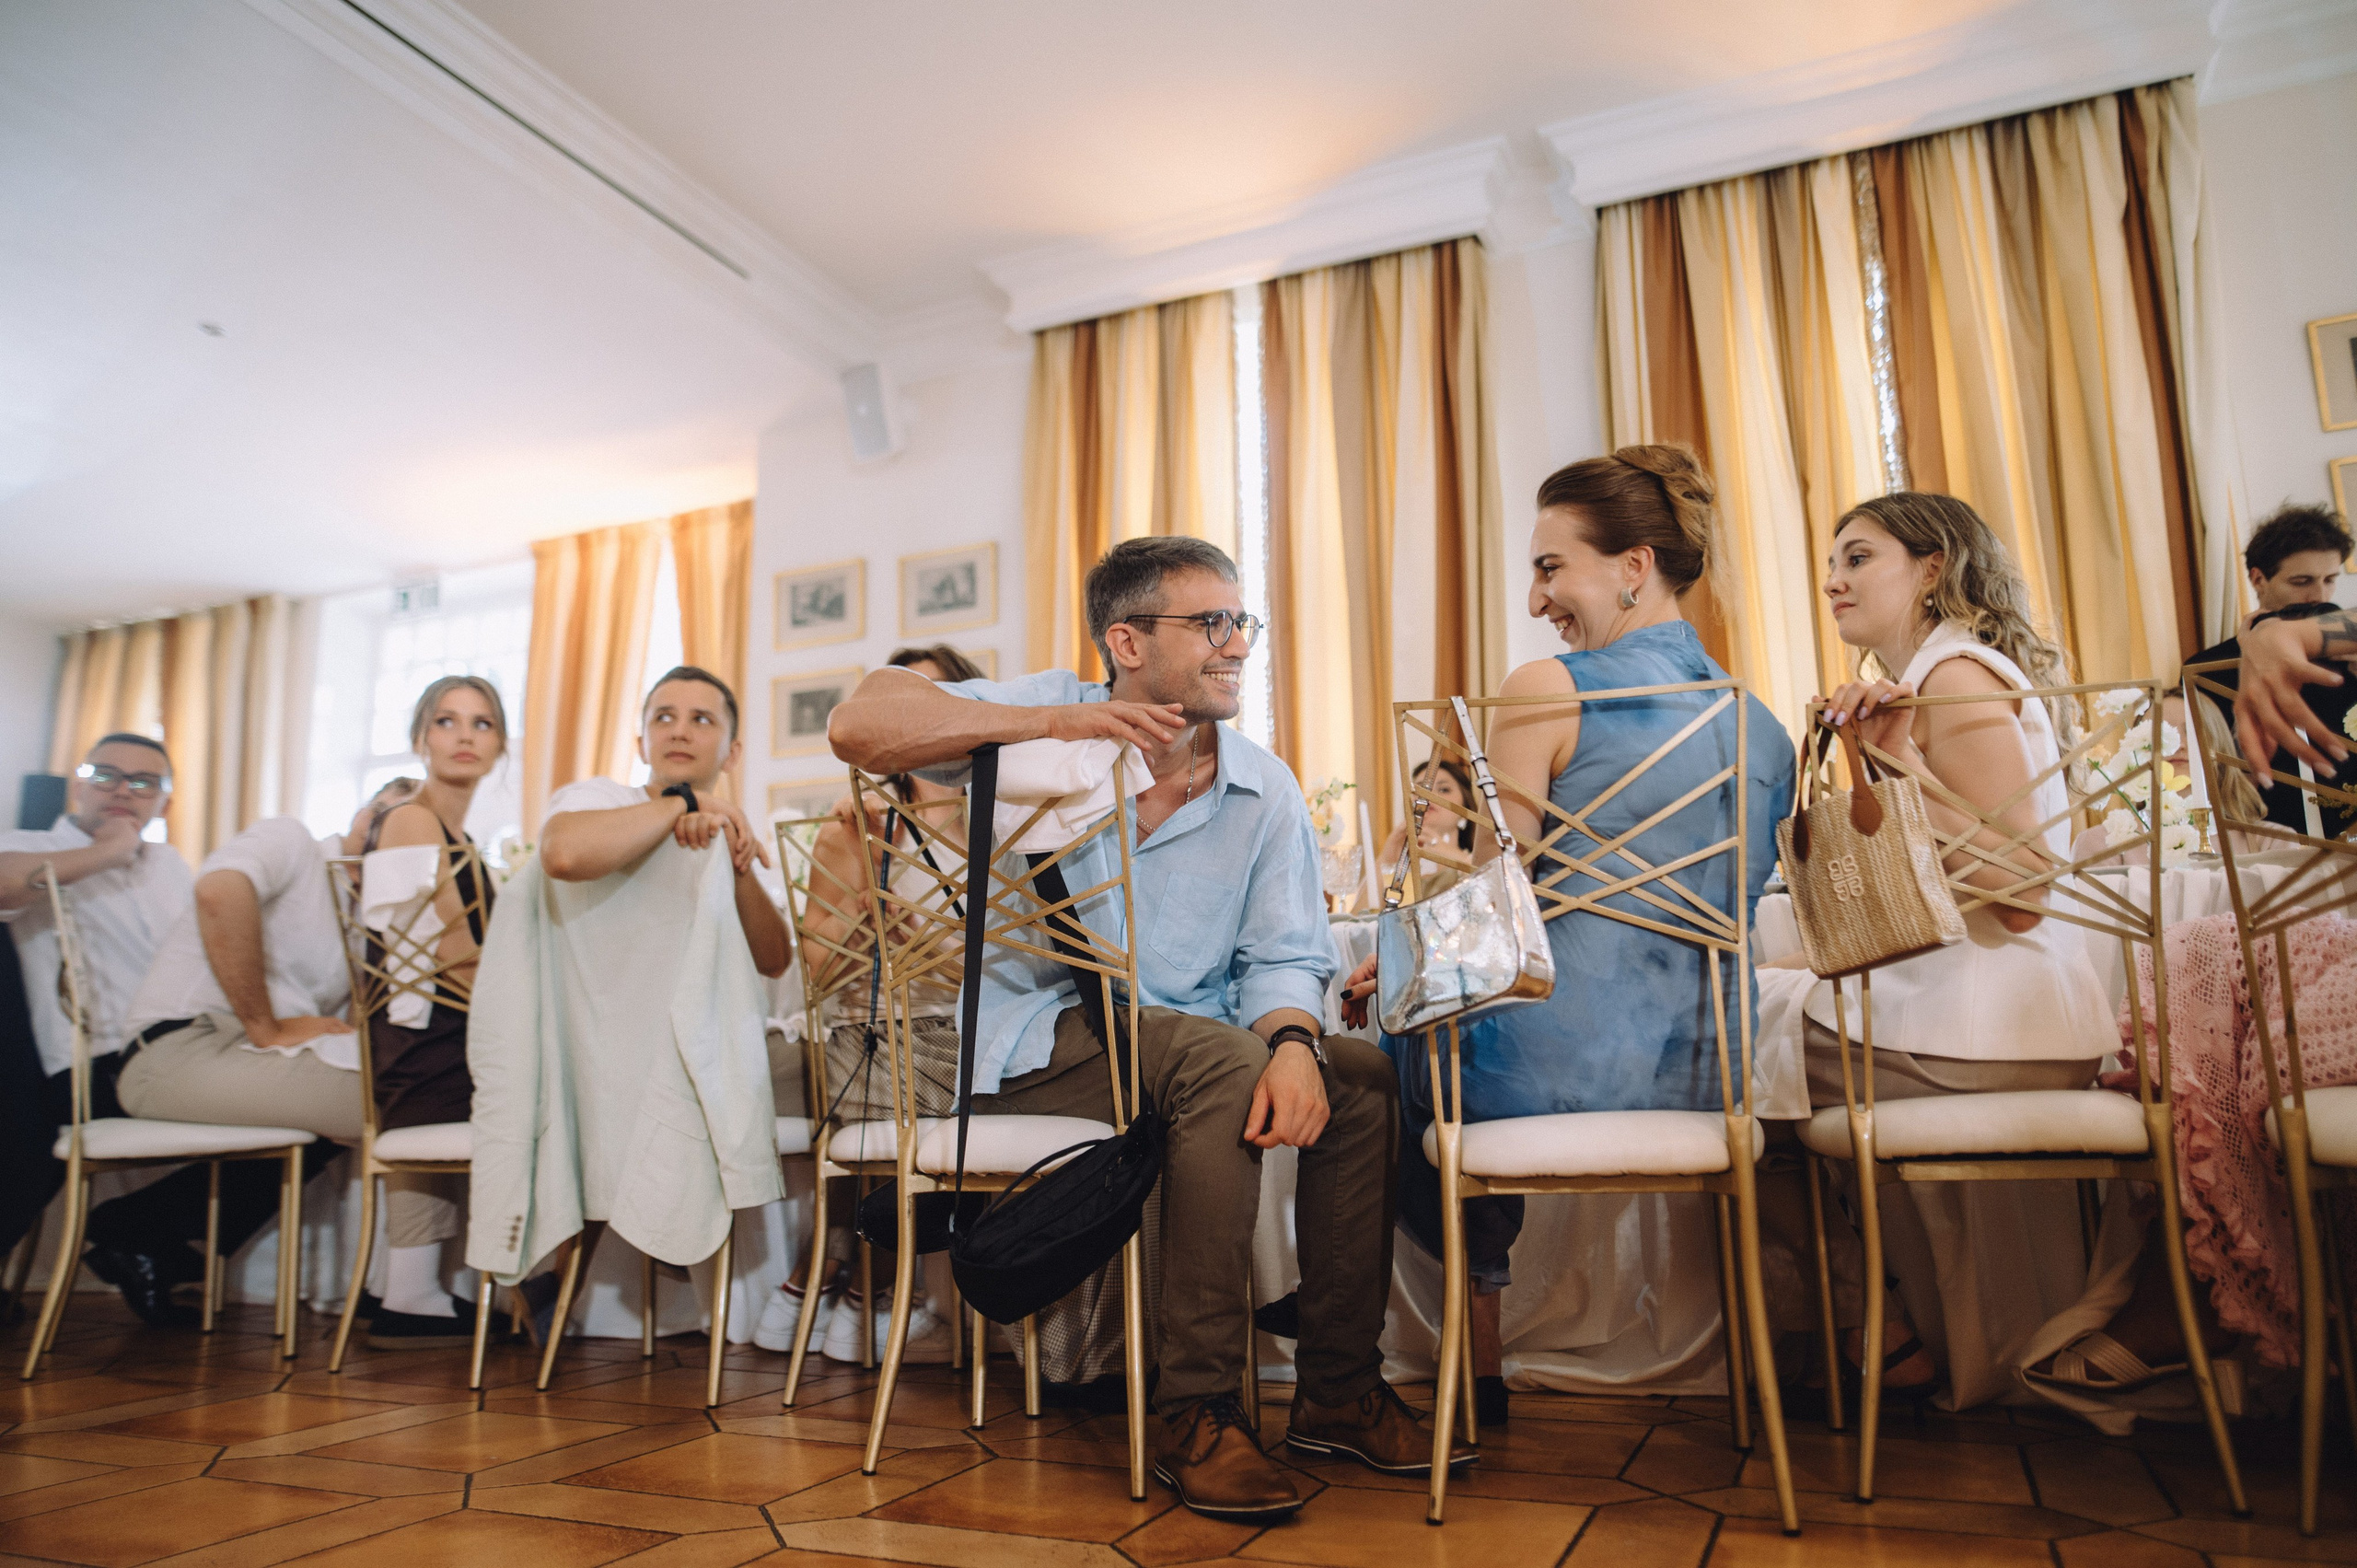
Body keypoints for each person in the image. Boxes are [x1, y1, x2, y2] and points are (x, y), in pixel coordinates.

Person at [828, 537, 1466, 1522]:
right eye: (1209, 623)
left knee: (1361, 1074)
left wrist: (1297, 1043)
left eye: (1239, 621)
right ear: (1124, 640)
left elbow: (1287, 954)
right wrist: (1061, 717)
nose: (1235, 643)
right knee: (1219, 1059)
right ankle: (1196, 1406)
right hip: (1042, 1041)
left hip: (1196, 1039)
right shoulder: (1042, 717)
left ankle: (1336, 1387)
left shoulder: (1265, 785)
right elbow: (858, 719)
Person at [1339, 446, 1794, 1426]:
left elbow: (1496, 901)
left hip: (1549, 1064)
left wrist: (1402, 959)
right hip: (1709, 1070)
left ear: (1633, 566)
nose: (1537, 596)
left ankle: (1398, 1339)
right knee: (1427, 1025)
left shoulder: (1547, 684)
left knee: (1393, 1046)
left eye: (1552, 566)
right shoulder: (1764, 728)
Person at [1768, 492, 2119, 1405]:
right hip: (1982, 1025)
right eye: (1831, 561)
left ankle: (1869, 1328)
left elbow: (2024, 887)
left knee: (1702, 1048)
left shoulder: (1954, 674)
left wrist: (1899, 762)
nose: (1831, 578)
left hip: (1993, 1030)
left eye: (1857, 557)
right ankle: (1873, 1319)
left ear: (1931, 567)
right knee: (1735, 1035)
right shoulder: (1917, 677)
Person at [104, 774, 421, 1322]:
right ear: (358, 814)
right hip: (175, 1049)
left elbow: (351, 1030)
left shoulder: (365, 918)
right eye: (382, 815)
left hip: (241, 1058)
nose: (381, 835)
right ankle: (406, 1296)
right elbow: (218, 891)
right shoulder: (292, 842)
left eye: (408, 831)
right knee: (403, 1105)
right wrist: (266, 1026)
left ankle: (140, 1228)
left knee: (395, 1093)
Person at [757, 644, 975, 1365]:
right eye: (900, 705)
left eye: (935, 701)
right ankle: (872, 1289)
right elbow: (815, 965)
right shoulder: (860, 820)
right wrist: (865, 913)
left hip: (974, 1028)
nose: (918, 721)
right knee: (883, 1052)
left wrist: (933, 953)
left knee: (921, 1059)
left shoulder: (1006, 816)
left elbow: (1024, 964)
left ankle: (829, 1274)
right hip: (866, 1026)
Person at [0, 735, 197, 1323]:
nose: (121, 790)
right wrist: (110, 850)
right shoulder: (29, 846)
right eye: (105, 774)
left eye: (143, 782)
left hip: (179, 1051)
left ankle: (138, 1232)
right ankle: (138, 1233)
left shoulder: (171, 867)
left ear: (163, 800)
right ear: (76, 784)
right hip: (89, 1066)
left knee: (323, 1108)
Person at [349, 675, 508, 1346]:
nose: (465, 735)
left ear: (499, 744)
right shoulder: (413, 818)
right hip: (428, 1049)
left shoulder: (464, 840)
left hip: (444, 1036)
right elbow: (449, 954)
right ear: (420, 739)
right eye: (447, 721)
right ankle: (532, 1285)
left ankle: (415, 1287)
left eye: (481, 723)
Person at [538, 665, 789, 979]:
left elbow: (775, 963)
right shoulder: (601, 798)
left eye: (701, 719)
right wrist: (686, 801)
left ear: (733, 755)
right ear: (641, 745)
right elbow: (562, 854)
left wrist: (734, 861)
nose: (679, 732)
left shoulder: (734, 832)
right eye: (664, 717)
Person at [2181, 504, 2353, 837]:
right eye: (2301, 581)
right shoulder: (2206, 669)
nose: (2319, 595)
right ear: (2258, 579)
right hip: (2264, 834)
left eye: (2330, 580)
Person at [1376, 755, 1476, 896]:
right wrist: (1386, 858)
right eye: (1420, 790)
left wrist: (1452, 855)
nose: (1428, 796)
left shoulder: (1477, 862)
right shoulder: (1402, 870)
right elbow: (1359, 915)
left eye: (1443, 790)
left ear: (1465, 808)